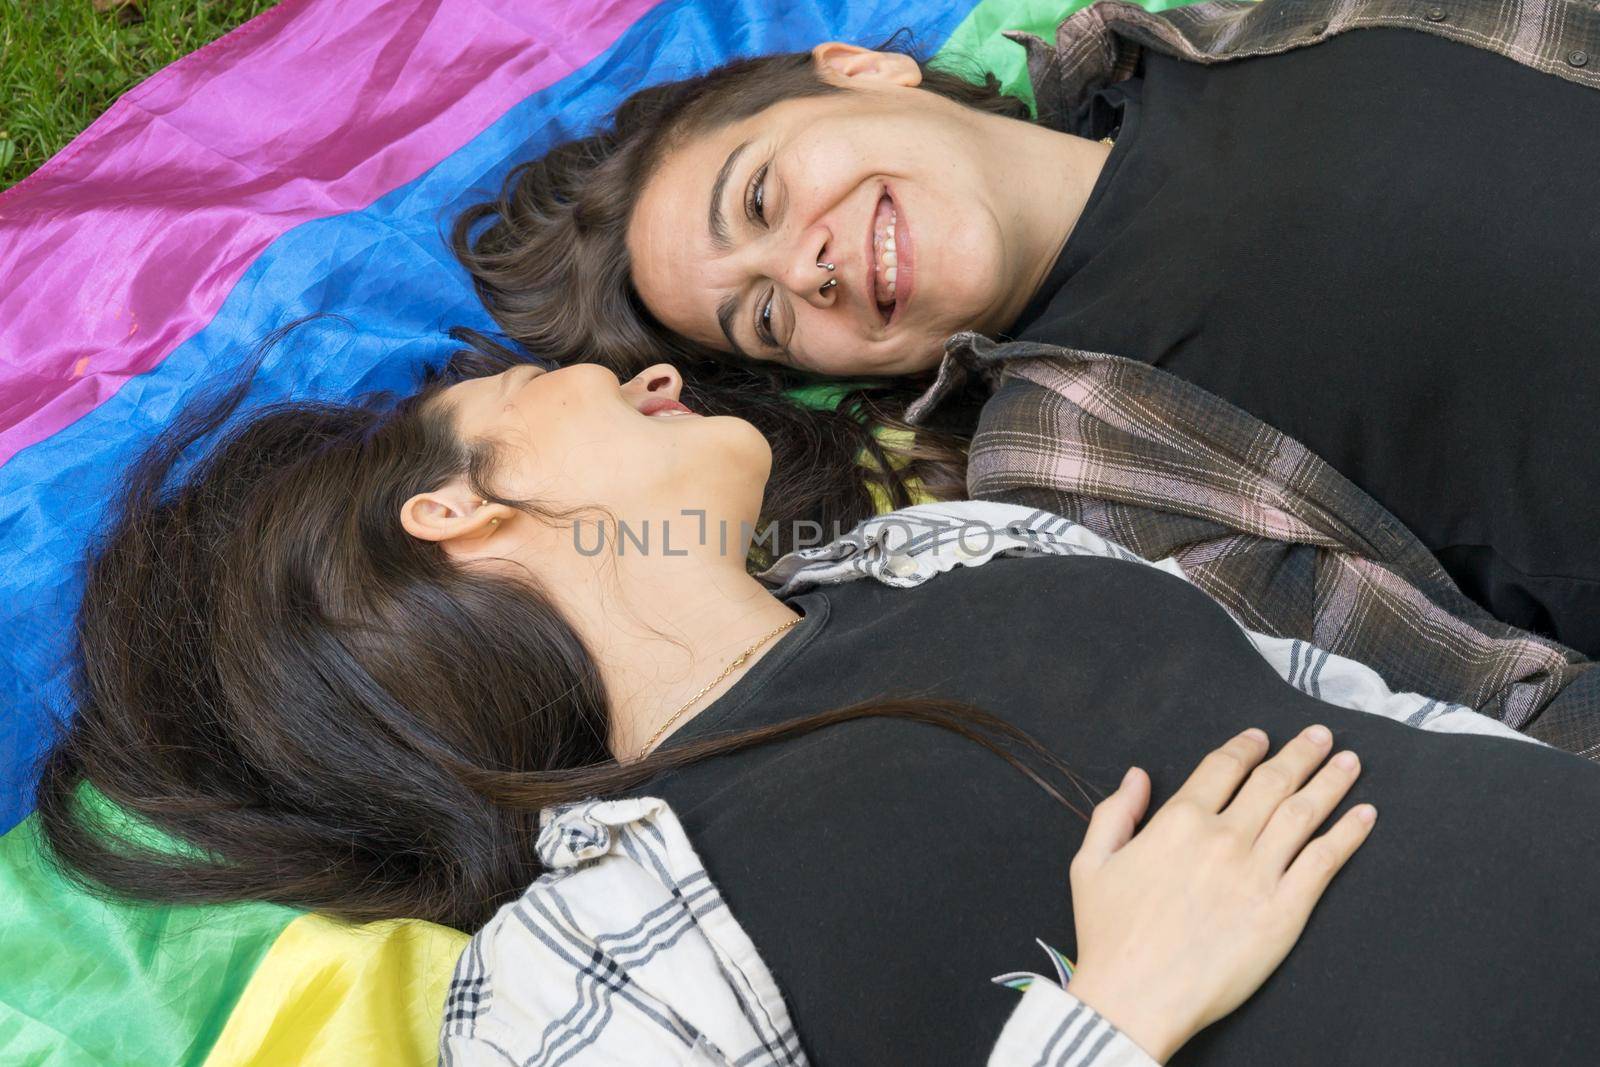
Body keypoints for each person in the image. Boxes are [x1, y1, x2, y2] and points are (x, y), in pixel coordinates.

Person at [38, 356, 1600, 1064]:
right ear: (457, 513)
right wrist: (1114, 1012)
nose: (649, 375)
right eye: (551, 384)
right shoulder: (583, 959)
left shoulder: (953, 540)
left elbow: (1360, 706)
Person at [452, 0, 1600, 756]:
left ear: (860, 72)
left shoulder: (1245, 24)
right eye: (762, 317)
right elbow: (1502, 715)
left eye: (759, 197)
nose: (801, 268)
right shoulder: (1076, 472)